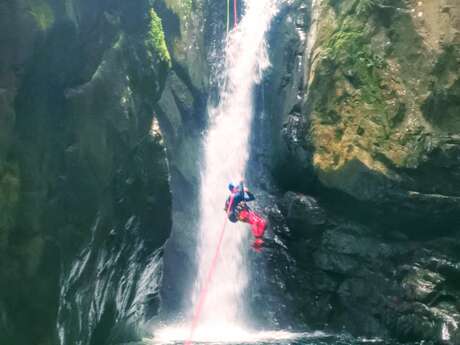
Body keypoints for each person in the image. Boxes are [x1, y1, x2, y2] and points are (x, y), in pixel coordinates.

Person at [225, 181, 267, 250]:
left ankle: (259, 240)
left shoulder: (237, 197)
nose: (237, 189)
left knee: (259, 221)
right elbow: (241, 193)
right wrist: (241, 183)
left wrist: (247, 192)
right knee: (254, 221)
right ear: (233, 189)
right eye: (235, 188)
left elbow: (252, 198)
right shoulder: (233, 197)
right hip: (241, 214)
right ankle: (258, 239)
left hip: (242, 214)